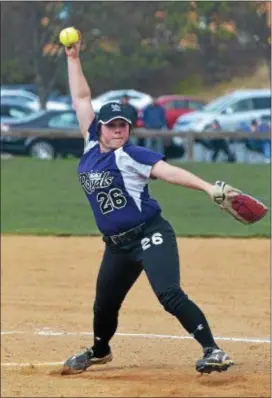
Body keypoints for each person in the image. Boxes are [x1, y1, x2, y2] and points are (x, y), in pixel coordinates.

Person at [62, 34, 234, 376]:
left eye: (123, 125)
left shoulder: (130, 155)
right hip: (117, 247)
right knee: (104, 306)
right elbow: (81, 97)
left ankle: (213, 350)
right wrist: (73, 58)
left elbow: (167, 171)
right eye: (112, 125)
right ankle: (100, 351)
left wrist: (205, 187)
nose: (118, 131)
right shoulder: (90, 147)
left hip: (150, 234)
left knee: (169, 294)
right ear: (100, 129)